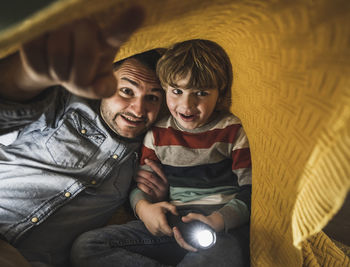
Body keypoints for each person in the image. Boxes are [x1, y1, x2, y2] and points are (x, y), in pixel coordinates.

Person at [0, 6, 168, 267]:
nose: (138, 109)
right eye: (126, 90)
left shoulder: (148, 159)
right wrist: (25, 77)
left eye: (153, 98)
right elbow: (10, 107)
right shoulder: (66, 102)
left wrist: (149, 202)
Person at [71, 39, 252, 267]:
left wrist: (217, 220)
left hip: (221, 230)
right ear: (166, 89)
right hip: (173, 224)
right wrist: (144, 209)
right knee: (87, 246)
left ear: (220, 93)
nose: (186, 105)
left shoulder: (232, 131)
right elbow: (142, 187)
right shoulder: (157, 134)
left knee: (225, 252)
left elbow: (250, 191)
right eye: (177, 91)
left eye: (202, 93)